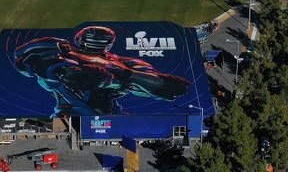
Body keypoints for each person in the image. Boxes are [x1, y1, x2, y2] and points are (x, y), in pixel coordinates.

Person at [14, 25, 189, 116]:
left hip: (110, 113)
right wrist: (67, 71)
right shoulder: (63, 50)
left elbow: (166, 86)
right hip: (72, 111)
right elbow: (26, 58)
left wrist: (121, 73)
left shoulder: (122, 63)